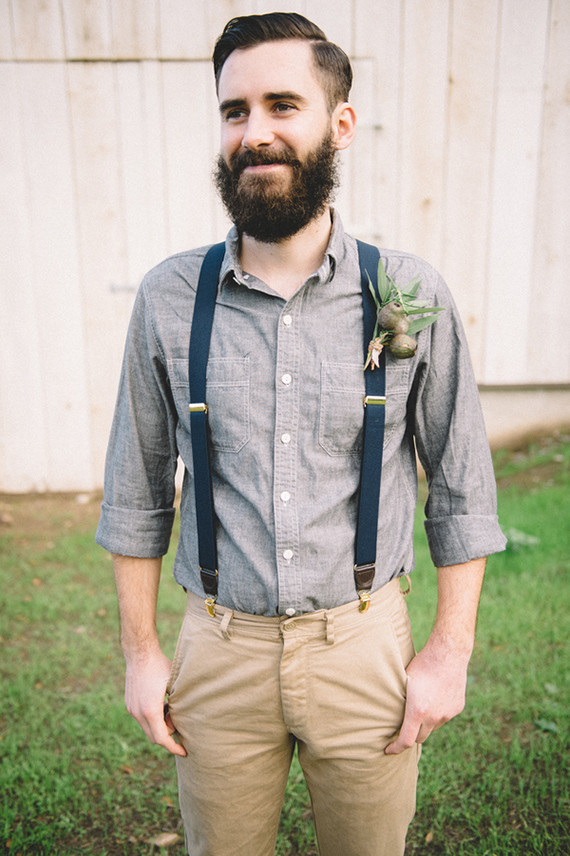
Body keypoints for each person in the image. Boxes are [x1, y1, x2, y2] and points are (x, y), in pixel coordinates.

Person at [96, 12, 506, 856]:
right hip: (218, 648)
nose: (257, 132)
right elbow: (136, 491)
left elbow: (460, 484)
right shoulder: (169, 297)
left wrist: (448, 651)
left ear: (339, 123)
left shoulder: (406, 292)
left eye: (284, 104)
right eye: (235, 110)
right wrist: (141, 653)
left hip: (364, 648)